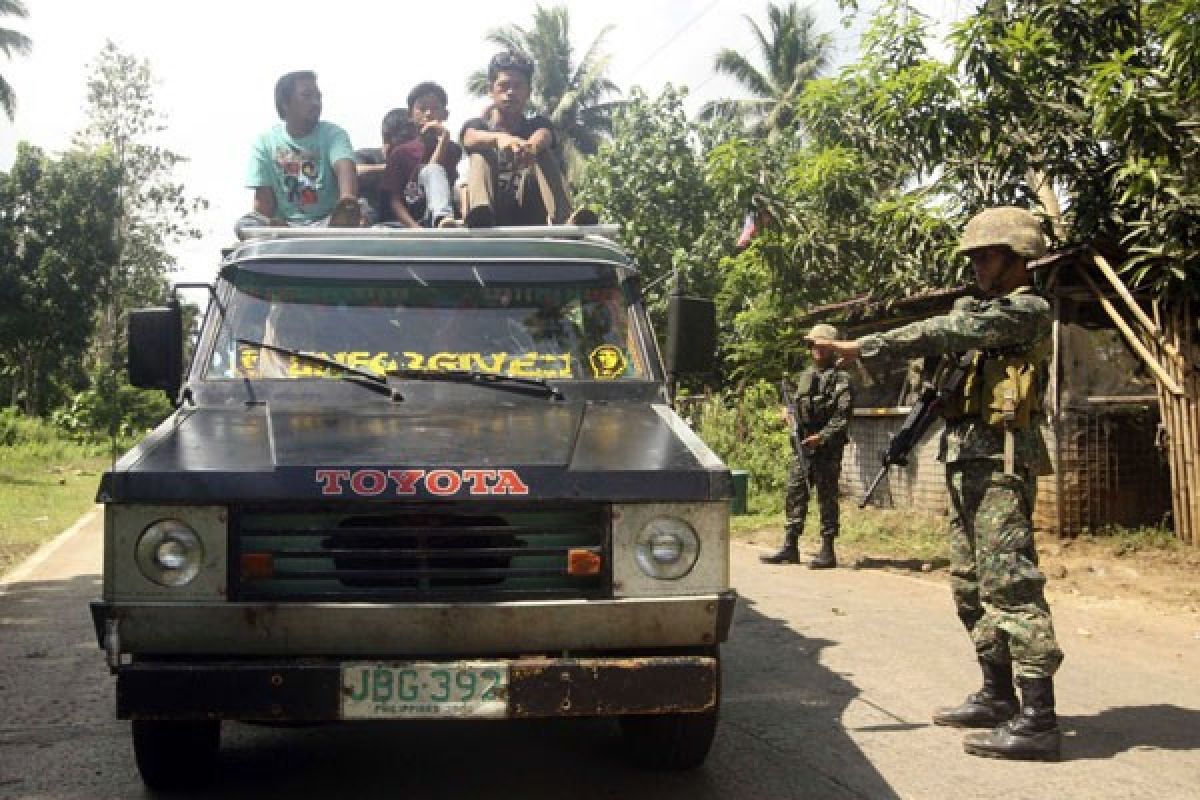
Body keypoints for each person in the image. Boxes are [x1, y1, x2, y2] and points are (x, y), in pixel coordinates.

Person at [817, 206, 1064, 761]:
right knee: (970, 584)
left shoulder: (1025, 311)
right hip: (964, 461)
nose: (976, 265)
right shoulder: (981, 312)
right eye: (973, 256)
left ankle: (1039, 719)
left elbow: (943, 329)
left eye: (986, 256)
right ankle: (997, 694)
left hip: (1000, 463)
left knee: (1011, 583)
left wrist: (863, 347)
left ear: (1017, 259)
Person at [459, 51, 596, 228]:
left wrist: (530, 147)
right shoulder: (478, 125)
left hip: (529, 208)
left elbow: (545, 135)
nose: (511, 92)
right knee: (479, 153)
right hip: (491, 211)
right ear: (490, 90)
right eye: (504, 85)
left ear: (528, 92)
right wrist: (499, 139)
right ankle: (480, 214)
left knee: (542, 152)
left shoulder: (536, 124)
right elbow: (470, 138)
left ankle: (563, 220)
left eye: (518, 86)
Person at [761, 323, 853, 569]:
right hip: (802, 445)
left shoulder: (841, 378)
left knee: (827, 497)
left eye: (822, 345)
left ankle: (828, 550)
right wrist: (788, 414)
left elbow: (842, 417)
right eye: (813, 345)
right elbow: (795, 406)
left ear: (832, 348)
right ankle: (790, 546)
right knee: (795, 494)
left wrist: (822, 437)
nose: (817, 350)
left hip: (826, 448)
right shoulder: (805, 376)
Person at [241, 71, 360, 231]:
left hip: (329, 221)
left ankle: (341, 225)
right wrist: (265, 225)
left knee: (362, 208)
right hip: (286, 225)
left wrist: (347, 200)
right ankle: (278, 230)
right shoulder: (264, 143)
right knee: (245, 224)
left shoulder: (333, 134)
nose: (316, 103)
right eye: (307, 96)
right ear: (285, 103)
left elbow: (344, 166)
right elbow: (263, 204)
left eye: (318, 97)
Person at [363, 82, 463, 228]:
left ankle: (441, 218)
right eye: (422, 109)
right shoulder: (401, 153)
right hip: (405, 222)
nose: (429, 114)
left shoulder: (453, 149)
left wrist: (443, 142)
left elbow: (433, 174)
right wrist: (415, 229)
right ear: (410, 115)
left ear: (445, 114)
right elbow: (394, 200)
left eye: (435, 108)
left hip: (436, 218)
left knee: (433, 171)